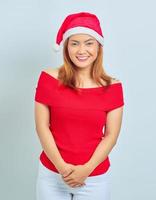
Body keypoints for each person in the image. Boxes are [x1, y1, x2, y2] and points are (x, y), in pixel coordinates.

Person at [34, 12, 124, 200]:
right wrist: (61, 167)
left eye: (89, 43)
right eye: (74, 43)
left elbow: (111, 136)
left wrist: (87, 169)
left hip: (94, 179)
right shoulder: (48, 79)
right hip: (52, 176)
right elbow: (42, 128)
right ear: (66, 47)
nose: (81, 50)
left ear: (98, 47)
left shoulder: (113, 87)